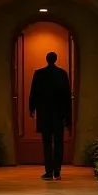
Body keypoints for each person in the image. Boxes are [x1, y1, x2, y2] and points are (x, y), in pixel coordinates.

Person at [28, 51, 72, 181]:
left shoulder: (39, 74)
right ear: (56, 59)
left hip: (45, 113)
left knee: (46, 143)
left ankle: (48, 172)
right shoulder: (62, 74)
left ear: (47, 59)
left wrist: (32, 108)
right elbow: (67, 97)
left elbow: (33, 92)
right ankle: (57, 171)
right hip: (59, 114)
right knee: (59, 143)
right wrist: (68, 117)